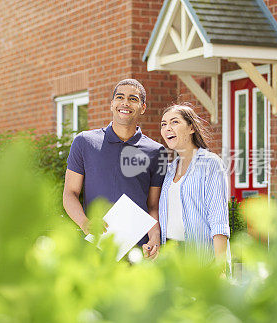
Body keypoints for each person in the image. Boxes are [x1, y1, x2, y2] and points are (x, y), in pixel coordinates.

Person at [63, 79, 167, 259]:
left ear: (142, 108)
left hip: (138, 252)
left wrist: (155, 235)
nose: (125, 103)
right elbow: (70, 193)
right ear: (112, 105)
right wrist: (85, 223)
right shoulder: (84, 142)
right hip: (95, 248)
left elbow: (153, 205)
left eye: (133, 99)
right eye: (120, 97)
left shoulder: (157, 152)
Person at [158, 103, 230, 263]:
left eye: (174, 122)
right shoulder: (169, 170)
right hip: (170, 254)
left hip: (200, 257)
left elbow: (218, 220)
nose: (167, 128)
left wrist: (221, 266)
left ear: (191, 128)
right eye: (164, 124)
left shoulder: (210, 164)